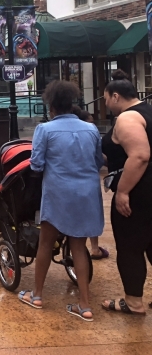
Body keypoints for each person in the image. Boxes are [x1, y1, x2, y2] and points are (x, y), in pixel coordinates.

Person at [19, 80, 103, 322]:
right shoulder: (91, 129)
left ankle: (37, 295)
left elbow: (36, 164)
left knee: (45, 243)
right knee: (79, 247)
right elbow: (98, 162)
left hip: (58, 193)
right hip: (86, 194)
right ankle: (85, 305)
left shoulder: (45, 130)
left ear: (51, 107)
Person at [100, 70, 152, 316]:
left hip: (139, 191)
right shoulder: (149, 111)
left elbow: (140, 155)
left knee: (130, 245)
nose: (106, 103)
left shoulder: (127, 118)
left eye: (106, 98)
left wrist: (122, 191)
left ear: (116, 96)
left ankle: (133, 301)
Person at [72, 105, 109, 261]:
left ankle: (73, 247)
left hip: (66, 183)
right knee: (92, 213)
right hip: (88, 180)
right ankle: (94, 247)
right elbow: (99, 158)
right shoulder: (91, 131)